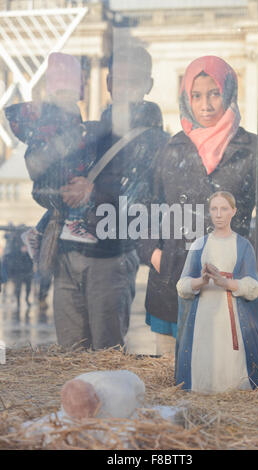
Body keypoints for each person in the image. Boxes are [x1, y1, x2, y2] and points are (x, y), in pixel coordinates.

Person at [20, 45, 168, 350]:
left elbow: (147, 200)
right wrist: (45, 221)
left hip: (110, 259)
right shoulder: (92, 131)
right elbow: (66, 183)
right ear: (109, 83)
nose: (124, 88)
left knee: (106, 356)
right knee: (71, 356)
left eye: (133, 81)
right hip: (67, 254)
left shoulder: (156, 140)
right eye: (118, 80)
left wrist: (94, 193)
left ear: (148, 85)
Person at [139, 55, 257, 356]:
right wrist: (153, 252)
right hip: (173, 283)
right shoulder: (171, 148)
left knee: (222, 381)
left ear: (229, 94)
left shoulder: (254, 149)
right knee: (171, 384)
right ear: (186, 98)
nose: (205, 105)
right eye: (196, 95)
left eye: (214, 93)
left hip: (229, 286)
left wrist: (248, 262)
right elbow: (146, 206)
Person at [175, 191, 258, 393]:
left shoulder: (243, 245)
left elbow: (253, 287)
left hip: (231, 319)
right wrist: (201, 281)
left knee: (231, 367)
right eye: (214, 209)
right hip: (204, 318)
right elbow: (182, 286)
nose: (218, 214)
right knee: (203, 363)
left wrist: (226, 283)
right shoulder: (199, 244)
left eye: (224, 209)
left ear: (233, 212)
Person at [5, 52, 98, 253]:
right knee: (78, 194)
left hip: (44, 185)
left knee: (57, 207)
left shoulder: (43, 116)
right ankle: (73, 224)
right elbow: (72, 147)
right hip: (60, 181)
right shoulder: (64, 114)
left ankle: (36, 232)